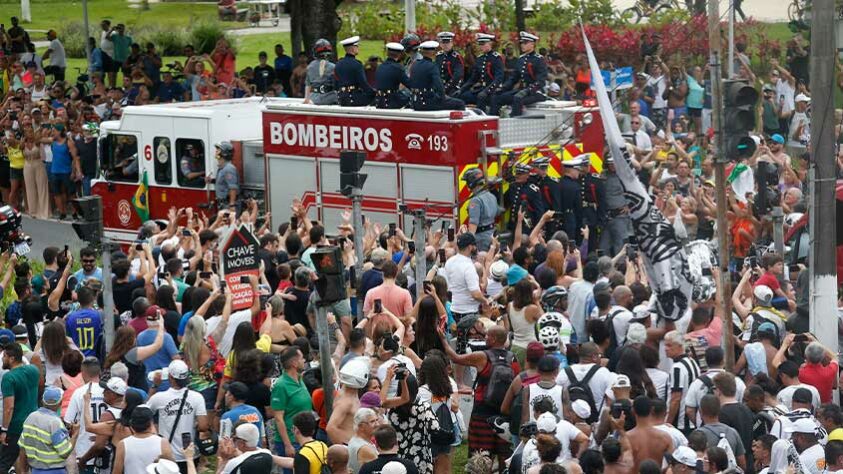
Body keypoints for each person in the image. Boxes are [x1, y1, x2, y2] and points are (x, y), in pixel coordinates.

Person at [437, 325, 519, 467]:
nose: (485, 337)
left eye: (487, 336)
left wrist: (444, 340)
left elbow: (455, 358)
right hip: (504, 413)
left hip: (482, 413)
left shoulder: (482, 356)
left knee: (479, 456)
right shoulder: (513, 358)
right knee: (504, 456)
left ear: (493, 339)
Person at [147, 360, 210, 474]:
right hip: (189, 453)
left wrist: (155, 385)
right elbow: (203, 426)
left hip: (167, 454)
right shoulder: (197, 397)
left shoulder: (159, 398)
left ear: (170, 377)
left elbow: (145, 411)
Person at [0, 342, 40, 473]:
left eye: (4, 356)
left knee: (3, 464)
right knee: (26, 463)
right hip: (33, 425)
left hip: (15, 428)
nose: (2, 358)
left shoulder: (8, 378)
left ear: (11, 358)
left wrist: (4, 430)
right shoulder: (34, 370)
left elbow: (8, 408)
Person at [489, 32, 547, 117]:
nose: (522, 45)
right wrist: (502, 88)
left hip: (535, 92)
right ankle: (494, 121)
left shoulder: (539, 59)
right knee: (496, 97)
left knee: (517, 98)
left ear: (532, 44)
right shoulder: (521, 59)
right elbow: (513, 78)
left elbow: (541, 81)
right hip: (521, 90)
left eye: (525, 43)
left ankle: (513, 122)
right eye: (521, 43)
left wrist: (527, 91)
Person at [18, 386, 73, 473]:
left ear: (42, 401)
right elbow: (65, 452)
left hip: (35, 470)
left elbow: (23, 448)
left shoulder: (30, 417)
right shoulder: (55, 422)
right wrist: (76, 434)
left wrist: (22, 471)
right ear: (60, 403)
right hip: (54, 471)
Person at [271, 347, 311, 459]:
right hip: (292, 441)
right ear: (294, 363)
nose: (304, 361)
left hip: (304, 438)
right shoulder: (281, 385)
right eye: (302, 358)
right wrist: (287, 445)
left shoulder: (299, 379)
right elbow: (278, 418)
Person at [113, 405, 174, 474]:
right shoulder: (163, 442)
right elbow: (171, 469)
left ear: (132, 423)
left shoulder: (123, 444)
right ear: (151, 423)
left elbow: (116, 471)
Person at [692, 394, 746, 471]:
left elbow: (692, 464)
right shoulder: (733, 432)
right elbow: (742, 464)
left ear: (700, 412)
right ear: (719, 409)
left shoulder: (697, 435)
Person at [407, 40, 465, 111]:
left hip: (415, 102)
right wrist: (444, 98)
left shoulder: (415, 64)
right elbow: (439, 86)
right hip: (427, 102)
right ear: (433, 53)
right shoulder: (432, 66)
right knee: (460, 103)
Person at [665, 330, 700, 434]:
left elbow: (675, 399)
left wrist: (668, 423)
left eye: (669, 345)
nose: (665, 349)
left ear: (680, 346)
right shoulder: (692, 361)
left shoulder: (677, 368)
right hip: (693, 418)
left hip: (681, 422)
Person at [457, 33, 504, 112]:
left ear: (490, 43)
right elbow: (473, 79)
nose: (481, 47)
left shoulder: (496, 58)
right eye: (480, 44)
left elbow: (499, 78)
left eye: (483, 44)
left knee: (482, 97)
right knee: (461, 96)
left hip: (493, 90)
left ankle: (482, 119)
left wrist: (486, 91)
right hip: (482, 89)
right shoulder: (480, 59)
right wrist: (461, 89)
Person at [461, 168, 498, 252]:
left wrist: (469, 244)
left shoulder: (476, 200)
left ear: (471, 183)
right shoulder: (491, 196)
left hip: (481, 239)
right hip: (492, 234)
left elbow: (473, 224)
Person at [220, 382, 264, 446]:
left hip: (239, 454)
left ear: (231, 396)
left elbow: (224, 442)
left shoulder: (227, 416)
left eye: (227, 393)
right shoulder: (255, 411)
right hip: (256, 451)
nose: (225, 395)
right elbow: (263, 438)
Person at [334, 36, 374, 106]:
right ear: (353, 48)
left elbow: (336, 83)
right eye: (357, 46)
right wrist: (373, 93)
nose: (358, 48)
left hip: (341, 98)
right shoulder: (357, 64)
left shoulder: (338, 64)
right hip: (354, 97)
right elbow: (363, 83)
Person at [65, 286, 103, 358]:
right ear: (92, 299)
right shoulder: (98, 315)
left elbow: (68, 340)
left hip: (77, 359)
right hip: (95, 358)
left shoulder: (70, 318)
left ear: (78, 300)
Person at [374, 43, 409, 109]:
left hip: (379, 100)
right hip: (392, 101)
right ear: (399, 54)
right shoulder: (397, 68)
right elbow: (409, 84)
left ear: (387, 53)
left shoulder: (380, 67)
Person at [304, 39, 337, 105]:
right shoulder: (333, 67)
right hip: (330, 99)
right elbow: (337, 85)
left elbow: (308, 85)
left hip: (313, 99)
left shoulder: (310, 66)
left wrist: (306, 100)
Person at [348, 408, 378, 474]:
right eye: (372, 421)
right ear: (361, 426)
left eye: (377, 420)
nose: (377, 424)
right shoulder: (365, 449)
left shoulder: (355, 440)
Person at [212, 141, 239, 208]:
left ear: (224, 153)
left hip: (227, 204)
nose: (216, 152)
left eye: (218, 150)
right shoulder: (222, 168)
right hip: (222, 204)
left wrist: (231, 205)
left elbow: (233, 188)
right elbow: (223, 182)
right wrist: (211, 180)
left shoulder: (229, 169)